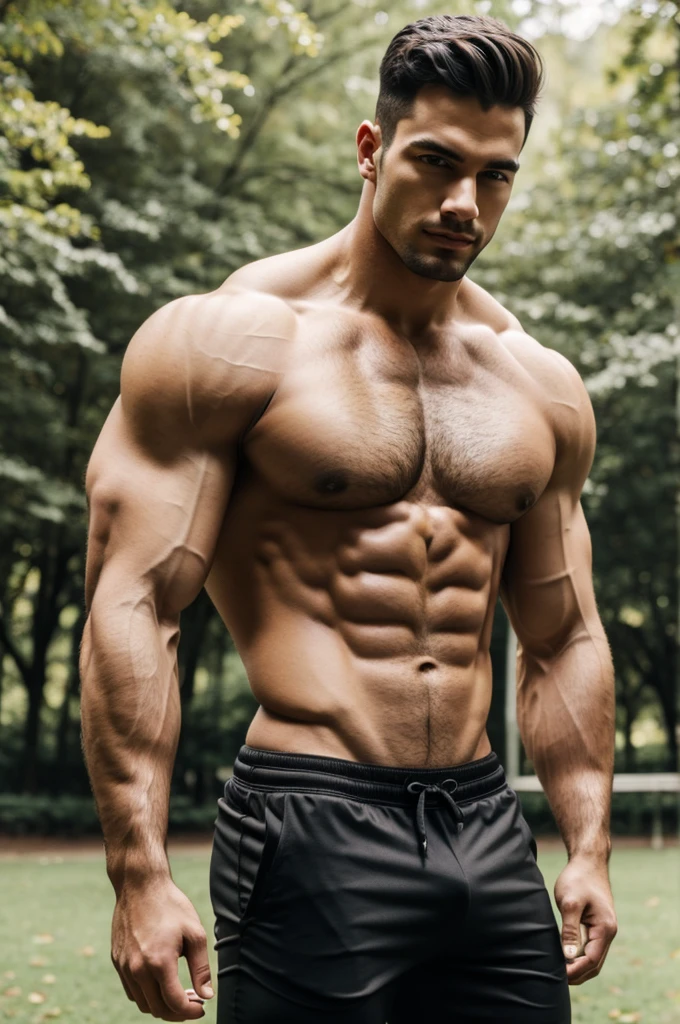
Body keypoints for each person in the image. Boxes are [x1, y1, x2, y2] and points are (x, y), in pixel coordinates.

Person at [80, 13, 618, 1024]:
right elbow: (134, 600)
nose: (464, 202)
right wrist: (137, 872)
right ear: (371, 150)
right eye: (435, 162)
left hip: (483, 820)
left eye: (495, 175)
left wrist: (584, 841)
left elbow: (563, 635)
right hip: (305, 813)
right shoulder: (235, 343)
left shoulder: (534, 383)